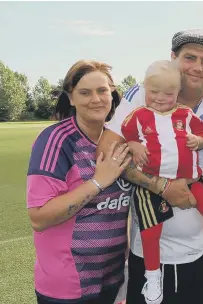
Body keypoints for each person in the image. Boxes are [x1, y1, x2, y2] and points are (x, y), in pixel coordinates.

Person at [96, 29, 203, 304]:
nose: (197, 67)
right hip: (150, 257)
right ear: (173, 58)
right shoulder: (142, 95)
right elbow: (107, 155)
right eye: (189, 57)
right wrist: (161, 186)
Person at [26, 60, 132, 304]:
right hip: (68, 287)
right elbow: (39, 218)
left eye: (102, 90)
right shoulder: (56, 141)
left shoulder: (120, 139)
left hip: (114, 279)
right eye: (85, 92)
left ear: (112, 93)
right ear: (71, 98)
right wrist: (97, 182)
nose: (95, 99)